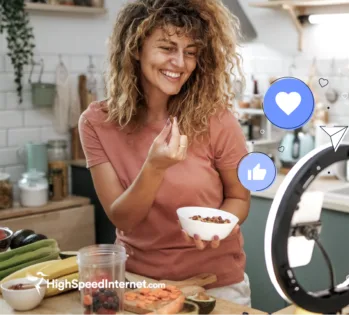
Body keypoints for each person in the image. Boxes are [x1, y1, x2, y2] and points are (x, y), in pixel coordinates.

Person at [78, 0, 252, 306]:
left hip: (215, 286)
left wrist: (218, 229)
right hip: (138, 284)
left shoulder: (217, 119)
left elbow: (239, 198)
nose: (180, 62)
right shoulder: (97, 123)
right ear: (136, 48)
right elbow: (123, 219)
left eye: (191, 52)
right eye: (167, 47)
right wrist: (154, 167)